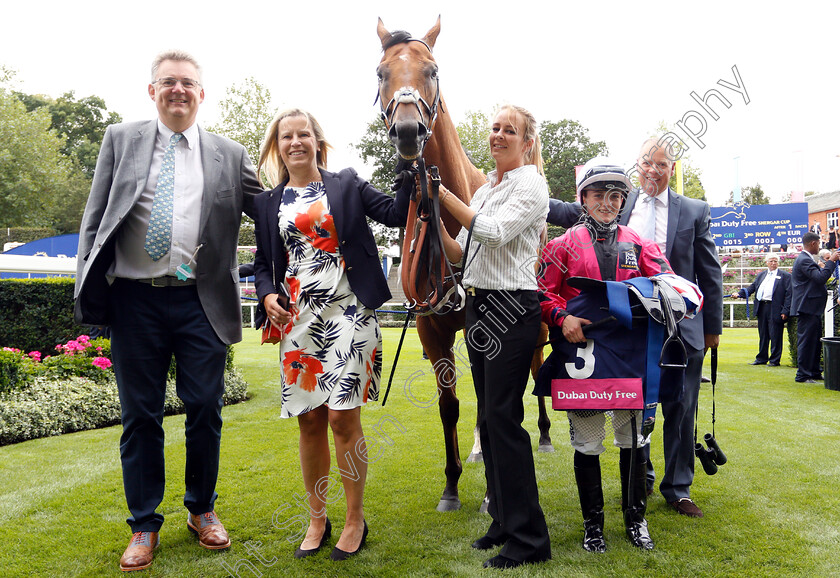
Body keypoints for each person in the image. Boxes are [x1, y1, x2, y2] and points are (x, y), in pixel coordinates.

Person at [74, 50, 262, 572]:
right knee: (140, 416)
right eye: (168, 82)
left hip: (201, 301)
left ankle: (202, 510)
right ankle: (143, 524)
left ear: (202, 94)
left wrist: (332, 195)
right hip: (135, 300)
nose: (178, 90)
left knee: (205, 407)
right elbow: (94, 220)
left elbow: (269, 212)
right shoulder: (120, 139)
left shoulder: (230, 152)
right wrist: (88, 285)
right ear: (151, 91)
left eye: (188, 83)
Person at [252, 108, 412, 561]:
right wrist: (265, 295)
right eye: (287, 136)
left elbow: (398, 213)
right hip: (297, 323)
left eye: (304, 134)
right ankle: (317, 518)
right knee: (309, 420)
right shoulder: (269, 202)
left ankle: (355, 518)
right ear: (277, 145)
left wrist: (407, 158)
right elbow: (265, 263)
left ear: (317, 141)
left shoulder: (345, 184)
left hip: (349, 316)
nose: (296, 142)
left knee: (344, 419)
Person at [536, 158, 673, 552]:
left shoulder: (640, 242)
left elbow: (666, 281)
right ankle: (592, 525)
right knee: (588, 443)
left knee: (633, 440)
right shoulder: (560, 245)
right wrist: (562, 317)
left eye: (615, 196)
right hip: (584, 359)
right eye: (599, 194)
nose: (608, 202)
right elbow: (541, 294)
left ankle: (636, 520)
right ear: (583, 198)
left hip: (630, 359)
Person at [439, 104, 551, 570]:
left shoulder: (532, 184)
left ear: (527, 143)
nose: (499, 135)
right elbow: (462, 252)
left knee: (503, 421)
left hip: (512, 307)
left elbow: (497, 233)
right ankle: (504, 520)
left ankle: (529, 539)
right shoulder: (486, 190)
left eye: (510, 130)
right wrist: (426, 211)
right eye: (495, 128)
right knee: (490, 417)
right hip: (480, 306)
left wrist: (443, 195)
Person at [620, 137, 723, 518]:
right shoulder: (622, 203)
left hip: (684, 326)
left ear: (672, 170)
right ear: (638, 163)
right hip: (634, 324)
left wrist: (713, 327)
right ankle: (640, 479)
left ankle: (678, 488)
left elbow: (709, 271)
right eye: (647, 162)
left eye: (662, 165)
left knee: (681, 408)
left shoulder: (694, 210)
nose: (653, 169)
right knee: (637, 405)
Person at [791, 233, 839, 383]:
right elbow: (820, 278)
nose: (820, 247)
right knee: (806, 341)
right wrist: (831, 261)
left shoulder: (806, 259)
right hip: (807, 307)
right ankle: (803, 374)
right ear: (812, 243)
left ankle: (814, 371)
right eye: (819, 244)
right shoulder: (804, 260)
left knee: (814, 341)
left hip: (811, 307)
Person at [731, 253, 791, 366]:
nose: (773, 263)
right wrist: (739, 294)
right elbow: (751, 288)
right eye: (771, 261)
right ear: (766, 262)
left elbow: (789, 295)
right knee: (763, 334)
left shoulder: (785, 276)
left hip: (776, 308)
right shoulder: (761, 275)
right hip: (762, 307)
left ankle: (774, 360)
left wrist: (785, 311)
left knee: (775, 335)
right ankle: (761, 358)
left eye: (775, 261)